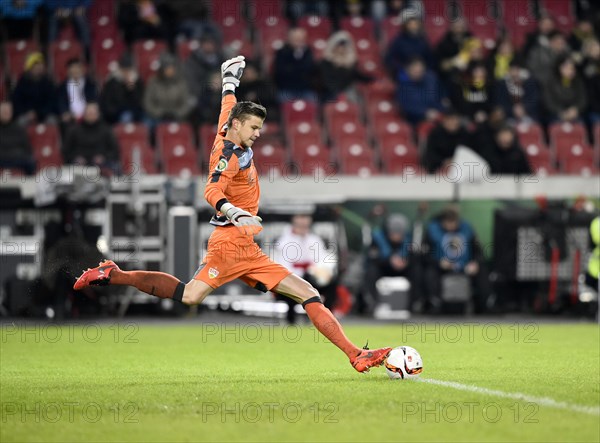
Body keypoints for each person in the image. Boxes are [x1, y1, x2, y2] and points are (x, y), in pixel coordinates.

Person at [74, 55, 392, 373]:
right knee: (193, 295)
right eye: (254, 128)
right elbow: (211, 190)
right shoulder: (229, 155)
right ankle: (115, 275)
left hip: (244, 245)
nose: (258, 133)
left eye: (260, 127)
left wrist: (229, 82)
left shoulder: (228, 130)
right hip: (230, 242)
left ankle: (355, 354)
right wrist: (233, 212)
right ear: (239, 127)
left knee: (294, 292)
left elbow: (228, 109)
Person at [423, 206, 491, 313]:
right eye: (448, 223)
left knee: (482, 271)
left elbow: (478, 251)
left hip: (465, 267)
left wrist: (475, 263)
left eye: (453, 222)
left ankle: (483, 305)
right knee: (429, 273)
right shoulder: (432, 230)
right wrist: (439, 263)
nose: (451, 226)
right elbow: (425, 254)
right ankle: (434, 303)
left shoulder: (467, 229)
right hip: (441, 268)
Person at [273, 214, 338, 324]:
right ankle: (291, 320)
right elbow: (281, 264)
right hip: (292, 276)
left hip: (311, 276)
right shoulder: (284, 241)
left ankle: (327, 318)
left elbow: (322, 259)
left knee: (331, 283)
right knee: (292, 286)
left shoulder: (314, 239)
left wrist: (322, 271)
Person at [362, 213, 423, 314]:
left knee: (417, 270)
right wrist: (389, 261)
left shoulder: (409, 239)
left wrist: (405, 262)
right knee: (371, 270)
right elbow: (372, 257)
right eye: (394, 234)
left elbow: (415, 257)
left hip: (403, 269)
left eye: (399, 234)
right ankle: (370, 302)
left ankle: (415, 303)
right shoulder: (377, 238)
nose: (396, 237)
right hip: (383, 268)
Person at [62, 102, 120, 174]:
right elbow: (66, 150)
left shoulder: (106, 130)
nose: (91, 116)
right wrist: (75, 157)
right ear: (84, 115)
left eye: (93, 114)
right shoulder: (74, 131)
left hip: (102, 163)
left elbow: (115, 150)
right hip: (78, 163)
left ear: (98, 114)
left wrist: (103, 157)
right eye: (89, 113)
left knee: (115, 167)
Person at [317, 31, 373, 102]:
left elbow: (356, 75)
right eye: (339, 45)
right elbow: (327, 79)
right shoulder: (326, 61)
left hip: (347, 90)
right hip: (330, 91)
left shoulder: (351, 61)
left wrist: (373, 79)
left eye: (344, 45)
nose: (342, 48)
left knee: (354, 97)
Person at [143, 53, 193, 124]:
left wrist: (176, 114)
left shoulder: (181, 82)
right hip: (157, 116)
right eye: (167, 67)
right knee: (147, 123)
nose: (170, 70)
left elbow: (186, 103)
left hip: (176, 117)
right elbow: (148, 102)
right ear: (162, 69)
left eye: (171, 67)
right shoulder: (153, 81)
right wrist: (159, 113)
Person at [11, 52, 57, 125]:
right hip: (26, 114)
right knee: (20, 122)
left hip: (44, 115)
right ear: (29, 68)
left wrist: (38, 113)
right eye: (35, 65)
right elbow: (16, 102)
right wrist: (27, 113)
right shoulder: (22, 82)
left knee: (52, 120)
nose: (38, 68)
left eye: (40, 65)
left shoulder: (48, 82)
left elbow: (52, 102)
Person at [273, 27, 317, 102]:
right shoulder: (282, 52)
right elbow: (281, 71)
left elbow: (310, 69)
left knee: (313, 101)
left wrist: (293, 67)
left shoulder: (308, 52)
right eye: (295, 38)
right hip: (286, 88)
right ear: (289, 39)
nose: (298, 41)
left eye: (300, 38)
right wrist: (299, 67)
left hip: (305, 88)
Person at [396, 57, 444, 125]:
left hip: (437, 114)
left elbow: (440, 95)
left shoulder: (431, 78)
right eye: (415, 71)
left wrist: (439, 109)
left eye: (420, 71)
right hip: (416, 120)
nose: (418, 73)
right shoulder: (403, 86)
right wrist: (425, 112)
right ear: (407, 70)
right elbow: (405, 106)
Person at [99, 55, 145, 124]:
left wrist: (131, 90)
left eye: (128, 70)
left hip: (133, 111)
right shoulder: (113, 81)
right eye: (124, 70)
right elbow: (107, 101)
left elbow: (139, 102)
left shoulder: (137, 81)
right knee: (125, 117)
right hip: (114, 112)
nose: (126, 73)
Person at [543, 56, 587, 122]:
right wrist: (561, 111)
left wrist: (576, 109)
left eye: (572, 68)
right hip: (556, 114)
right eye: (567, 67)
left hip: (574, 113)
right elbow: (549, 101)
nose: (571, 70)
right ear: (560, 68)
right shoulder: (551, 82)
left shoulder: (577, 81)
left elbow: (582, 98)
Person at [56, 58, 98, 126]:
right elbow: (61, 102)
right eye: (73, 68)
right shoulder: (62, 87)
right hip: (70, 118)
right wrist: (65, 112)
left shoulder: (90, 85)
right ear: (68, 71)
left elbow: (93, 100)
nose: (75, 70)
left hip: (88, 115)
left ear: (82, 69)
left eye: (77, 68)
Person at [0, 101, 35, 175]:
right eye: (3, 111)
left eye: (8, 111)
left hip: (17, 158)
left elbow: (27, 147)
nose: (6, 113)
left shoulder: (19, 128)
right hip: (2, 157)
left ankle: (29, 185)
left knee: (30, 162)